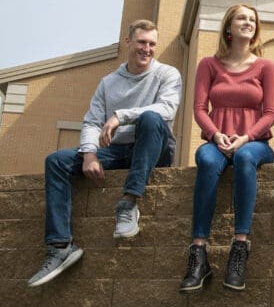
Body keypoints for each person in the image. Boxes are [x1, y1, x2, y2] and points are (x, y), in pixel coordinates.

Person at [27, 19, 181, 287]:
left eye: (152, 44)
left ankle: (129, 203)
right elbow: (91, 122)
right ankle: (61, 245)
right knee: (57, 161)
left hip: (153, 149)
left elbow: (167, 109)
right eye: (142, 42)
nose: (147, 49)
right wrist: (89, 154)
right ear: (128, 42)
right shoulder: (108, 82)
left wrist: (121, 116)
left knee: (151, 119)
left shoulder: (167, 74)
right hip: (116, 151)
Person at [179, 4, 274, 293]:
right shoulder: (208, 65)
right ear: (228, 26)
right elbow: (199, 109)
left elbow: (270, 113)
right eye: (241, 18)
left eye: (252, 19)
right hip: (216, 142)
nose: (248, 23)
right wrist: (215, 135)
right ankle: (198, 255)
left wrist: (246, 138)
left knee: (246, 158)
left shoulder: (266, 66)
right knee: (207, 162)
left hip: (255, 144)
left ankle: (240, 247)